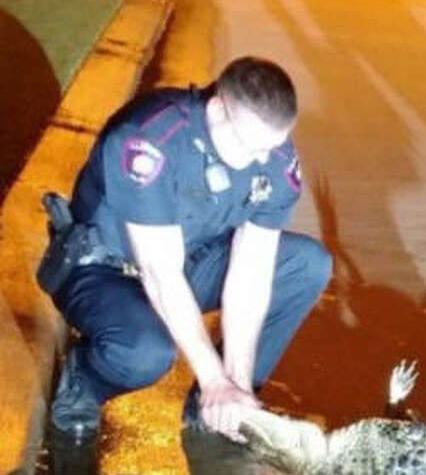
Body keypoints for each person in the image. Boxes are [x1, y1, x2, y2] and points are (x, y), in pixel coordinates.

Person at [41, 57, 332, 443]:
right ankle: (87, 379)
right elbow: (161, 275)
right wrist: (214, 378)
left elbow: (252, 274)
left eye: (273, 146)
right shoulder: (148, 142)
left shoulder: (272, 157)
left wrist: (235, 382)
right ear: (218, 109)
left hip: (190, 259)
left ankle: (226, 409)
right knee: (144, 354)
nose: (264, 161)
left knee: (306, 264)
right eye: (253, 146)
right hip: (107, 270)